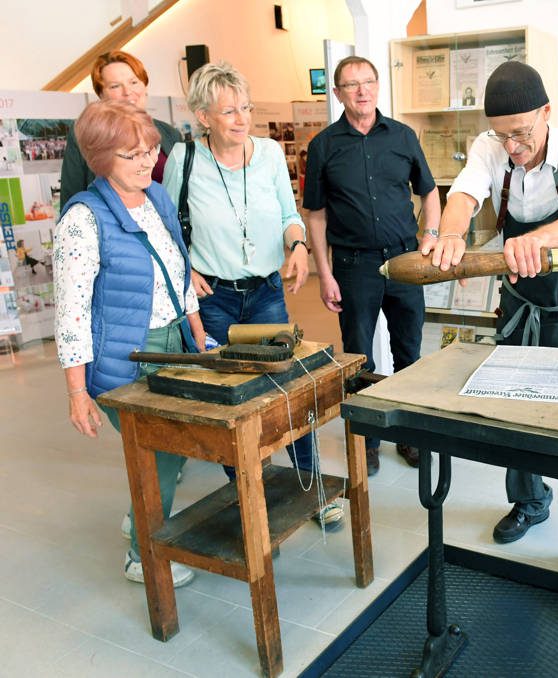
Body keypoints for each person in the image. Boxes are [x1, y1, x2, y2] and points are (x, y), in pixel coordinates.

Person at [423, 61, 558, 606]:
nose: (513, 146)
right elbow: (463, 196)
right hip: (519, 301)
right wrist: (451, 234)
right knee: (514, 407)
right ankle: (530, 502)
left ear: (547, 114)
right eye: (503, 135)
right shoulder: (490, 147)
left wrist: (540, 241)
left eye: (523, 133)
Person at [162, 62, 344, 531]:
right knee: (232, 400)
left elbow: (289, 214)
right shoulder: (183, 161)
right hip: (214, 299)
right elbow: (167, 228)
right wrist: (188, 269)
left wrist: (297, 245)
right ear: (203, 116)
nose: (241, 119)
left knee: (288, 386)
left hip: (265, 292)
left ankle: (312, 485)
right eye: (228, 111)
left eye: (245, 107)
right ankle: (251, 489)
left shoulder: (265, 154)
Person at [53, 100, 206, 588]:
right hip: (124, 358)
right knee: (161, 451)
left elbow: (178, 272)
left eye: (151, 151)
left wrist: (198, 334)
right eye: (132, 154)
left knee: (176, 448)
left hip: (174, 347)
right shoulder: (82, 219)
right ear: (101, 159)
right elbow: (71, 311)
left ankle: (137, 515)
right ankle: (143, 557)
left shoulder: (157, 197)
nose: (146, 162)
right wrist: (77, 392)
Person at [303, 56, 441, 475]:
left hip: (403, 261)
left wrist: (430, 238)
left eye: (367, 82)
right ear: (338, 92)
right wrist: (324, 275)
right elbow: (316, 215)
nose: (361, 90)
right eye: (351, 84)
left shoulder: (402, 136)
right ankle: (367, 441)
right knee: (359, 357)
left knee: (409, 352)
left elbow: (430, 194)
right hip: (353, 265)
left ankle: (410, 436)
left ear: (378, 86)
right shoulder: (324, 145)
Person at [60, 51, 182, 207]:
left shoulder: (170, 134)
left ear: (145, 85)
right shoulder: (83, 134)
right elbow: (72, 195)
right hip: (110, 228)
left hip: (165, 225)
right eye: (115, 86)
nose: (128, 92)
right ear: (101, 95)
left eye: (134, 82)